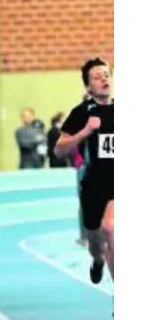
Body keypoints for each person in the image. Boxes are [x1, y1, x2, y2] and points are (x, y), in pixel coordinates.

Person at [54, 58, 114, 286]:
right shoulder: (81, 112)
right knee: (97, 243)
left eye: (106, 74)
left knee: (111, 229)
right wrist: (86, 131)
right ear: (89, 87)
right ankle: (97, 260)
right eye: (97, 77)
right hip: (93, 185)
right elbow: (59, 149)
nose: (104, 79)